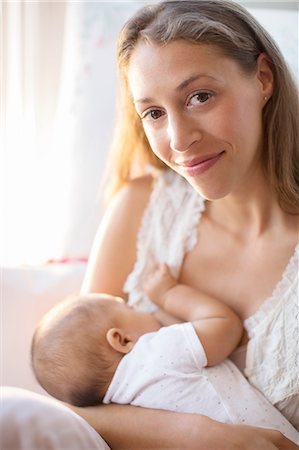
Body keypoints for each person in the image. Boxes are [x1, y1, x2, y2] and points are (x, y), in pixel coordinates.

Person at [1, 0, 298, 449]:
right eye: (154, 113)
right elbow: (77, 402)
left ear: (262, 78)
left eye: (200, 96)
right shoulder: (141, 207)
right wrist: (196, 435)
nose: (179, 141)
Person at [30, 270, 299, 444]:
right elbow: (224, 326)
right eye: (130, 307)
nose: (146, 310)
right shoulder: (154, 351)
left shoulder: (125, 405)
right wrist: (168, 294)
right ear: (122, 340)